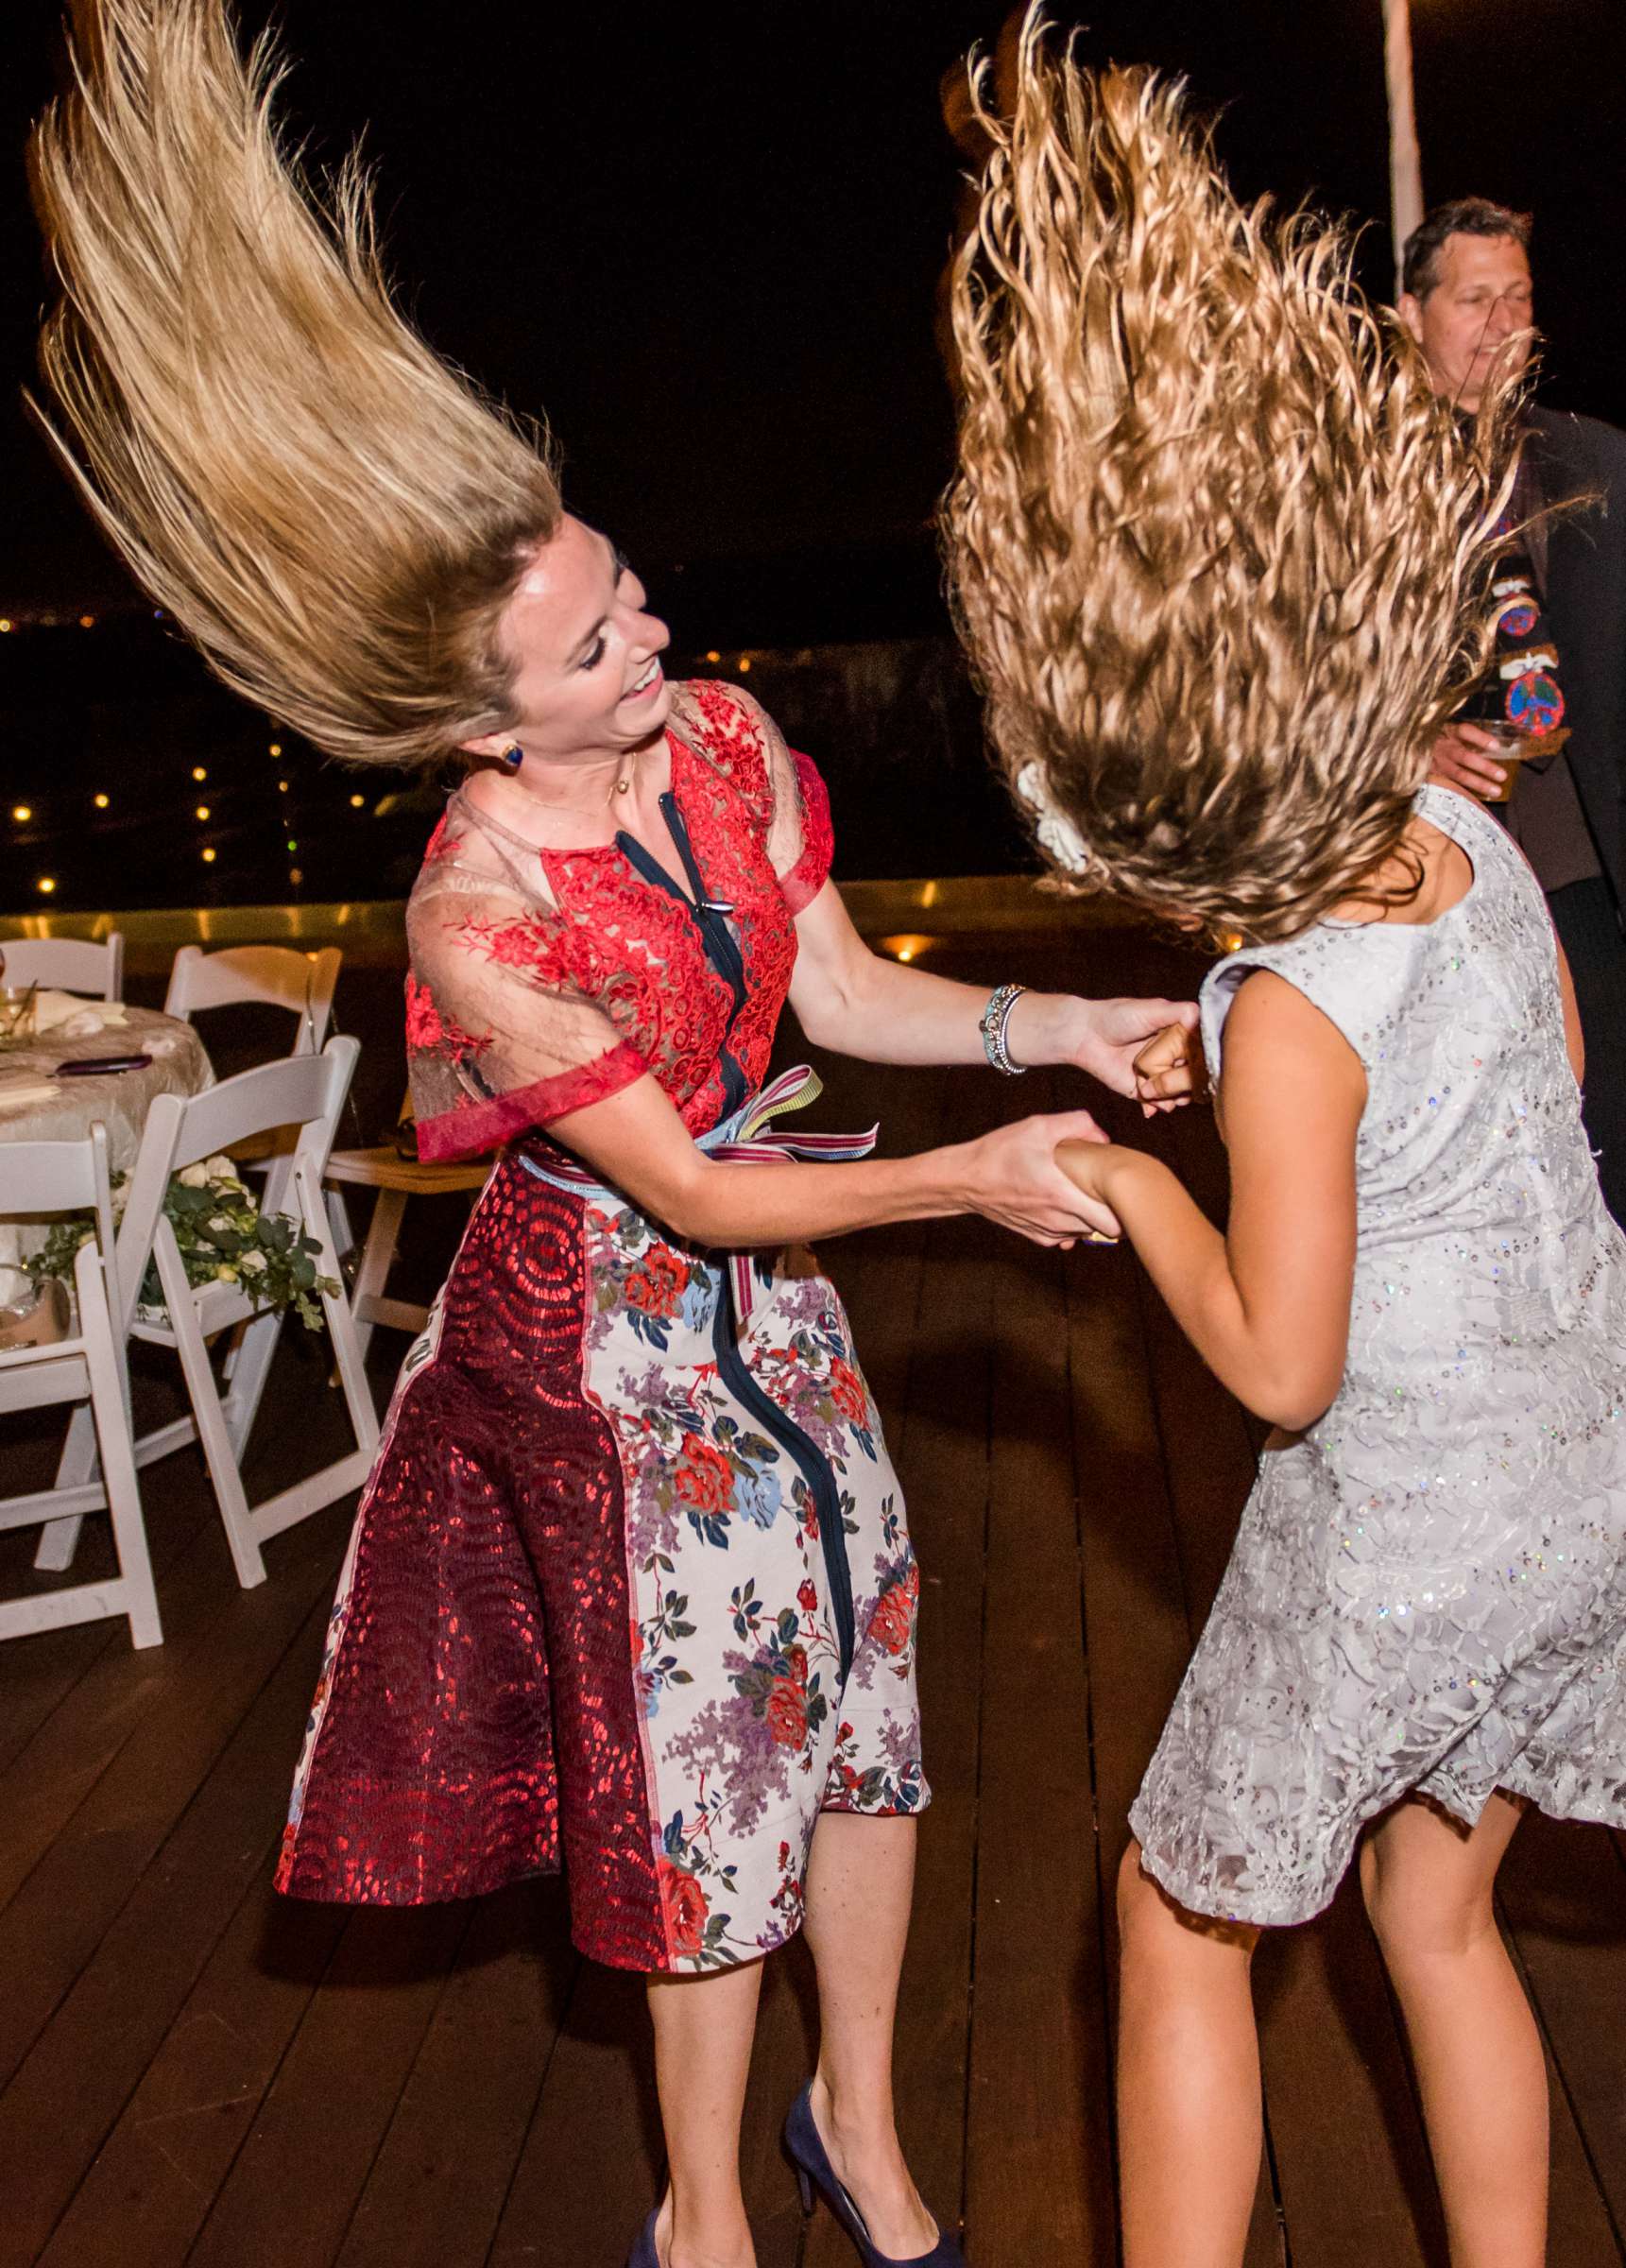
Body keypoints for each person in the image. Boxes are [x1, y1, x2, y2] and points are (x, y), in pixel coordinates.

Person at [28, 8, 1199, 2266]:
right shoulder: (474, 912)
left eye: (625, 581)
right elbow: (671, 1179)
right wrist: (966, 1179)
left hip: (781, 1308)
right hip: (605, 1357)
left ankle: (851, 2122)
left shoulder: (731, 738)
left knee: (863, 1689)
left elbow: (836, 990)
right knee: (701, 1774)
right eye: (594, 637)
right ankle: (698, 2214)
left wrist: (1055, 1019)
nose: (651, 625)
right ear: (485, 710)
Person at [945, 26, 1626, 2268]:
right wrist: (1260, 1089)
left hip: (1408, 1509)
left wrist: (1143, 1175)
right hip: (1577, 1469)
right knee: (1435, 1908)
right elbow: (1529, 1084)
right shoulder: (1466, 836)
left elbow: (1275, 1370)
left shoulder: (1276, 1003)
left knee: (1167, 1912)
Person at [1399, 198, 1626, 1226]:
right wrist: (1405, 748)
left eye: (1517, 299)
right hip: (1434, 875)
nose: (1500, 323)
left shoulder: (1595, 459)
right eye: (1472, 299)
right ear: (1409, 314)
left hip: (1582, 870)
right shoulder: (1349, 477)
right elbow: (1292, 687)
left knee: (1604, 1143)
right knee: (1483, 1159)